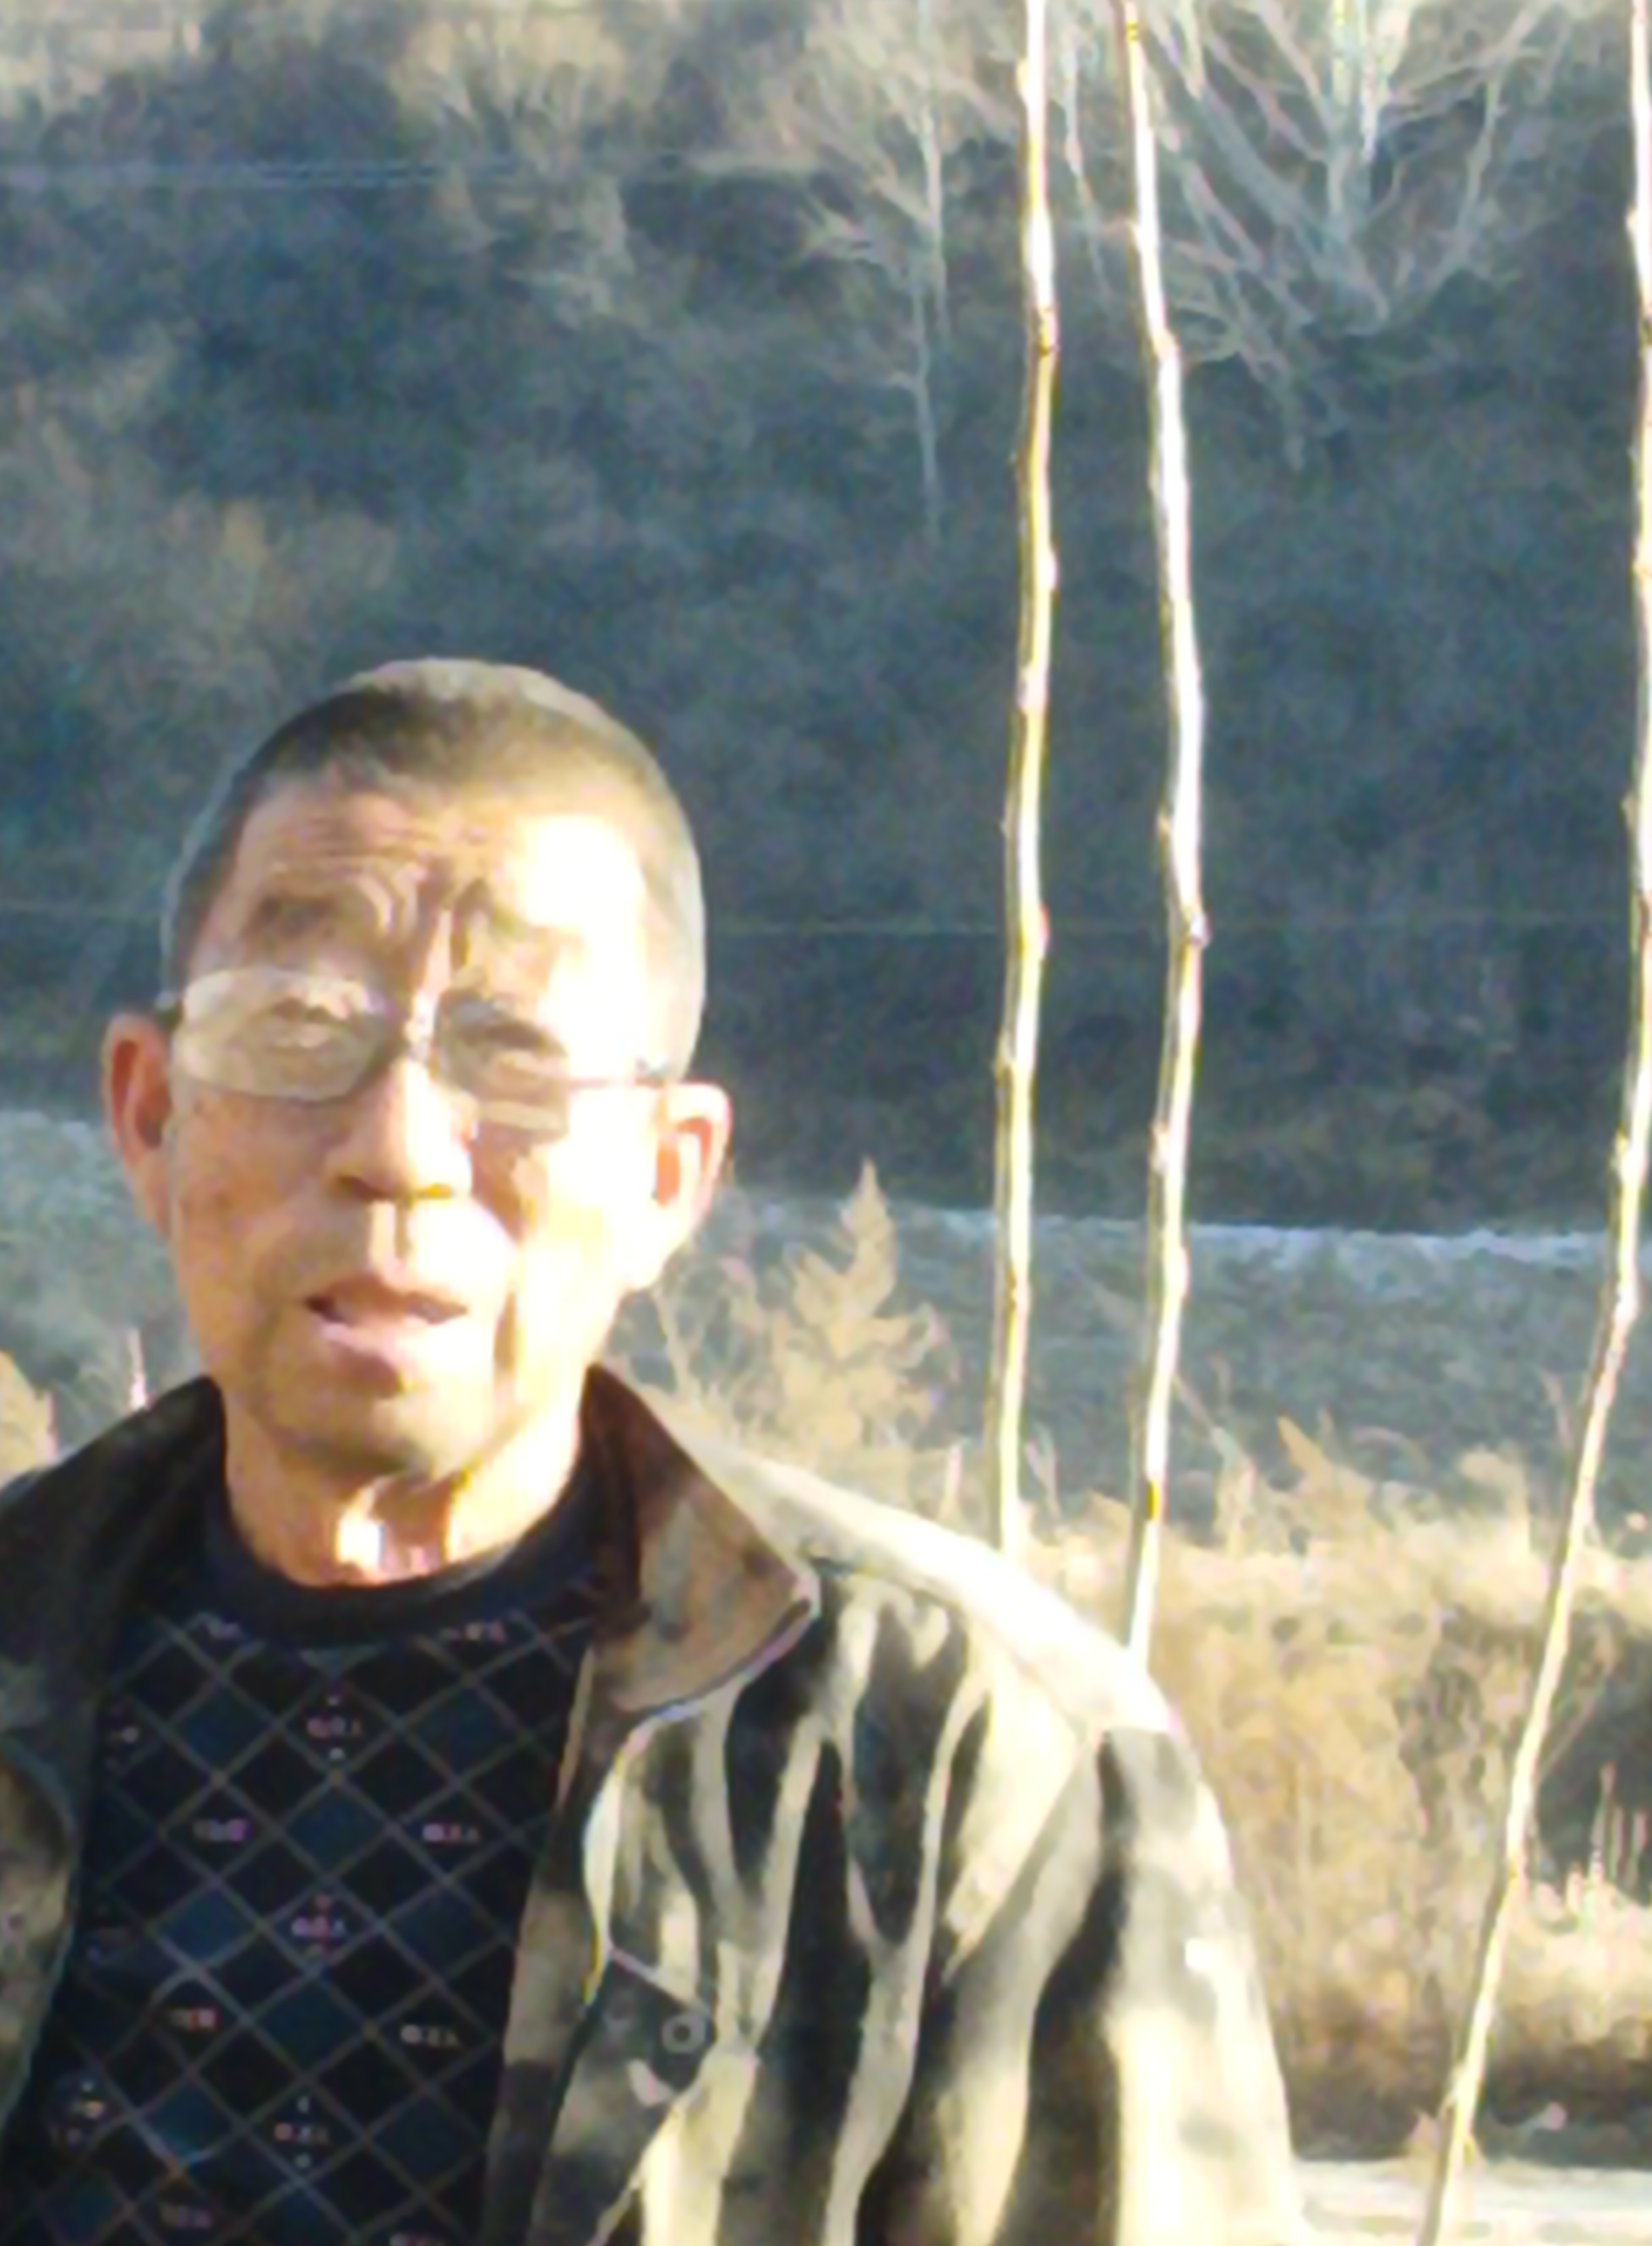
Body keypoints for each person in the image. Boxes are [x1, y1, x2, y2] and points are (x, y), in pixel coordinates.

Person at [0, 659, 1305, 2246]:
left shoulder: (967, 1760)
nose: (399, 1150)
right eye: (301, 1027)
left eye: (516, 1059)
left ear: (668, 1178)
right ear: (150, 1116)